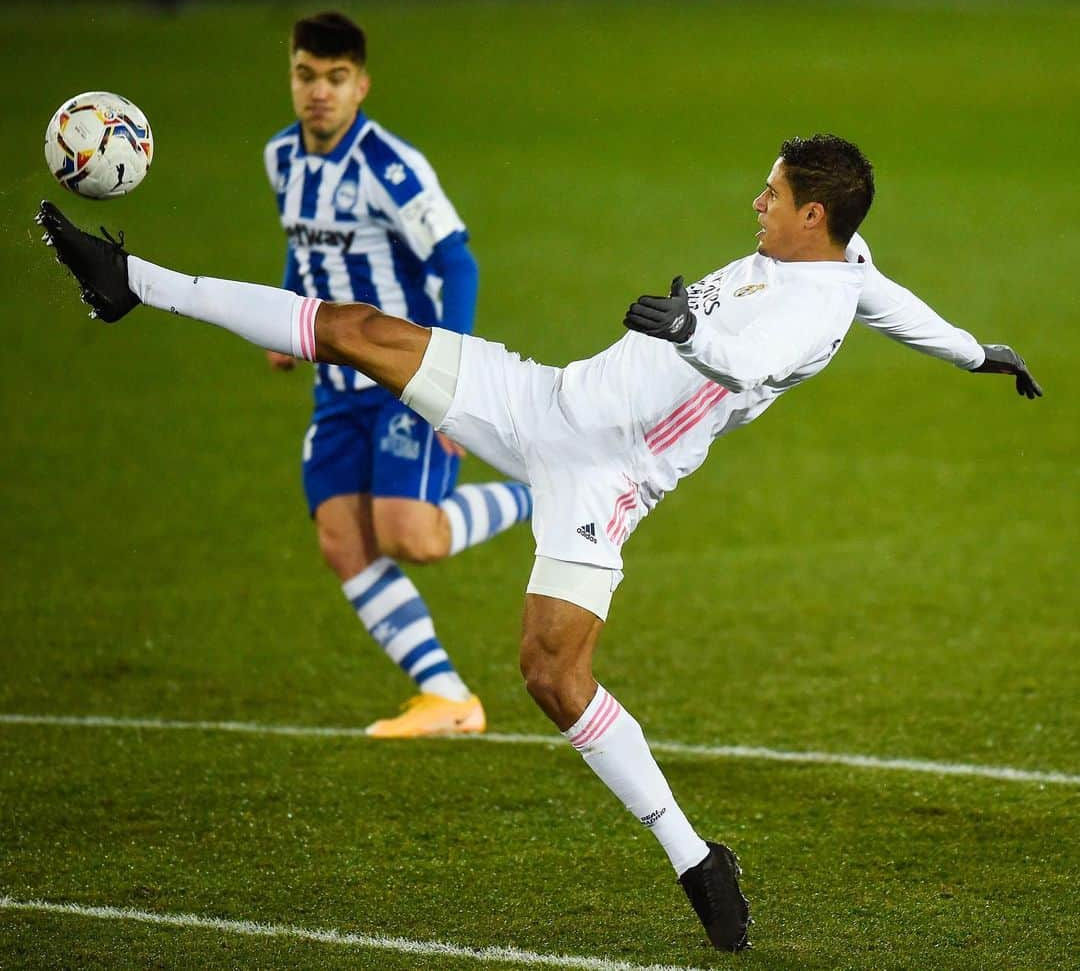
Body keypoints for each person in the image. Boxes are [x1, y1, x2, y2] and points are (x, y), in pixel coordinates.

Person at [36, 132, 1041, 950]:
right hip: (545, 397)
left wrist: (691, 328)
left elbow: (742, 363)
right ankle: (132, 280)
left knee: (551, 676)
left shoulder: (806, 302)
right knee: (353, 328)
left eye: (770, 195)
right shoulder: (845, 261)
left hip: (606, 476)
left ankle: (695, 856)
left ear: (811, 213)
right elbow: (891, 299)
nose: (756, 204)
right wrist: (977, 352)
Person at [262, 12, 533, 738]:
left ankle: (543, 490)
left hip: (407, 375)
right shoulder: (281, 158)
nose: (319, 92)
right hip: (338, 389)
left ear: (361, 85)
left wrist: (455, 379)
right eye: (306, 75)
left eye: (336, 78)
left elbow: (457, 261)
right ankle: (447, 696)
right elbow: (304, 243)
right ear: (292, 76)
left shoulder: (391, 167)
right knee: (342, 540)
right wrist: (288, 321)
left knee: (412, 535)